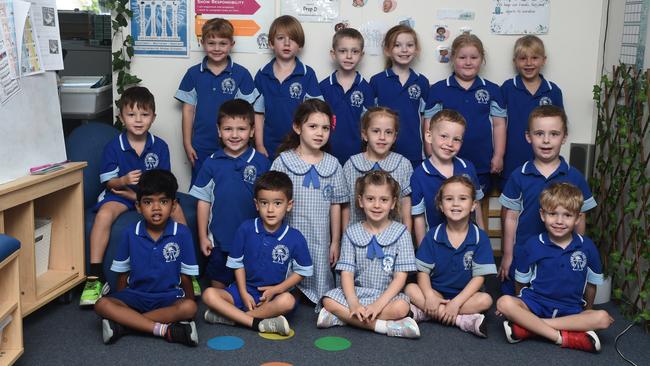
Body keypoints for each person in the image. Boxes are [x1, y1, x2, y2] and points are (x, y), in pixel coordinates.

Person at [80, 86, 187, 307]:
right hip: (121, 195)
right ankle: (95, 277)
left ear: (153, 117)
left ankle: (187, 272)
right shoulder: (114, 146)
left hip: (151, 197)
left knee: (176, 209)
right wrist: (124, 181)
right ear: (121, 117)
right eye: (131, 114)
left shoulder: (160, 146)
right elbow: (110, 183)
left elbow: (164, 184)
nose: (138, 120)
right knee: (104, 214)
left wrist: (141, 197)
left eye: (144, 114)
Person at [497, 182, 613, 353]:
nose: (559, 221)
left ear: (578, 218)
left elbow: (591, 285)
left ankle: (529, 327)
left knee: (602, 318)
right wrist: (519, 306)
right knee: (504, 302)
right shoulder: (533, 244)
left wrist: (586, 313)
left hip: (570, 308)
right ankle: (562, 337)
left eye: (567, 215)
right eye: (553, 214)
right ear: (542, 215)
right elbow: (520, 284)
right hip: (535, 304)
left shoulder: (587, 247)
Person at [499, 105, 597, 295]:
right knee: (512, 298)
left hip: (560, 251)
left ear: (564, 137)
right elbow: (510, 217)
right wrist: (508, 254)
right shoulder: (519, 175)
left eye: (554, 134)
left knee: (557, 291)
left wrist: (578, 250)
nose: (546, 140)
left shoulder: (574, 177)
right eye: (539, 133)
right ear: (529, 137)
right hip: (525, 250)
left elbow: (580, 217)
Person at [94, 170, 199, 346]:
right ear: (138, 207)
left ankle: (126, 325)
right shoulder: (130, 233)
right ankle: (164, 330)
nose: (156, 208)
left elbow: (186, 276)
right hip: (136, 296)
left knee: (189, 307)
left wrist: (190, 307)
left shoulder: (182, 233)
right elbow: (122, 274)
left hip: (168, 297)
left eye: (163, 202)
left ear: (173, 206)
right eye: (148, 202)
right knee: (101, 304)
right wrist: (121, 302)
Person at [201, 171, 313, 335]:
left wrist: (276, 290)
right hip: (243, 291)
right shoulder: (246, 229)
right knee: (209, 294)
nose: (270, 210)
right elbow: (236, 263)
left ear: (289, 205)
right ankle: (256, 323)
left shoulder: (294, 237)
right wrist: (243, 292)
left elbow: (303, 271)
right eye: (264, 203)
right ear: (256, 204)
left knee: (288, 301)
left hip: (272, 296)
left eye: (277, 203)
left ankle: (234, 318)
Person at [318, 171, 420, 338]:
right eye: (370, 199)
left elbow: (400, 278)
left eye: (384, 200)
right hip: (357, 293)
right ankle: (383, 326)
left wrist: (378, 306)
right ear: (361, 201)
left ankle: (343, 318)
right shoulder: (352, 232)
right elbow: (347, 273)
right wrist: (353, 303)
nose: (377, 205)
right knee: (328, 300)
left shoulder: (401, 233)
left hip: (386, 296)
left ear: (393, 203)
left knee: (402, 307)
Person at [271, 99, 348, 309]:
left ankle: (317, 297)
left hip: (319, 236)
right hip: (290, 232)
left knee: (319, 269)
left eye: (325, 128)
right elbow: (272, 200)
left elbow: (336, 205)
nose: (319, 133)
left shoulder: (332, 164)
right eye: (312, 126)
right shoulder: (283, 162)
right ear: (298, 127)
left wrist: (335, 241)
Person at [189, 99, 270, 291]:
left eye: (241, 129)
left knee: (252, 286)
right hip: (221, 240)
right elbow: (203, 202)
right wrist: (202, 236)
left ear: (251, 131)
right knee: (218, 287)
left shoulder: (262, 163)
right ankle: (224, 308)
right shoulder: (211, 163)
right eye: (228, 129)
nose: (234, 135)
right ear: (219, 131)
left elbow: (270, 202)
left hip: (254, 239)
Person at [405, 176, 495, 338]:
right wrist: (430, 296)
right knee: (410, 289)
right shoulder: (433, 235)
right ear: (441, 205)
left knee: (486, 300)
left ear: (473, 205)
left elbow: (479, 278)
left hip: (466, 296)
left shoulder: (480, 237)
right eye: (449, 199)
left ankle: (427, 313)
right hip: (436, 292)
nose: (455, 204)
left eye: (462, 198)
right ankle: (462, 321)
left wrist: (457, 302)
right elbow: (423, 272)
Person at [176, 18, 258, 186]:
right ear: (202, 43)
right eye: (211, 43)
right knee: (201, 188)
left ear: (231, 44)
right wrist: (187, 143)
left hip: (235, 145)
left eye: (223, 43)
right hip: (201, 146)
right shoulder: (193, 74)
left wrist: (251, 143)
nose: (217, 48)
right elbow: (188, 111)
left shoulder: (241, 74)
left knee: (232, 186)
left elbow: (250, 113)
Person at [424, 33, 507, 195]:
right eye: (462, 57)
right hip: (445, 161)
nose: (468, 62)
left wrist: (498, 155)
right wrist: (430, 153)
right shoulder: (438, 90)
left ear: (482, 59)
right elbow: (429, 124)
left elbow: (499, 125)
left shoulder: (493, 90)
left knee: (475, 204)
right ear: (453, 58)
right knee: (446, 201)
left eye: (474, 57)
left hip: (481, 163)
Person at [410, 109, 484, 246]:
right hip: (435, 246)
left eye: (456, 139)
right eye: (444, 136)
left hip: (467, 243)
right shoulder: (419, 175)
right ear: (429, 136)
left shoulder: (467, 167)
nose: (450, 143)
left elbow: (476, 205)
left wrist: (482, 239)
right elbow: (419, 218)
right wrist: (422, 251)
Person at [253, 15, 323, 159]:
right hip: (268, 145)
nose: (286, 43)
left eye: (292, 39)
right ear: (271, 43)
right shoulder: (262, 75)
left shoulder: (307, 74)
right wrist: (259, 145)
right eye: (280, 38)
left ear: (300, 45)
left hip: (299, 146)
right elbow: (258, 114)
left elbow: (316, 114)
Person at [500, 35, 564, 188]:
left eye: (534, 58)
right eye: (523, 58)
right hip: (512, 159)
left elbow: (560, 126)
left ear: (544, 60)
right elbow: (497, 124)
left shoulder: (553, 91)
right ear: (515, 62)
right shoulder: (507, 88)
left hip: (545, 160)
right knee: (510, 203)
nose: (529, 63)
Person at [342, 107, 412, 232]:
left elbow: (406, 206)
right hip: (358, 238)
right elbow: (346, 206)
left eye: (388, 132)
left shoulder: (403, 164)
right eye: (376, 131)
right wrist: (345, 236)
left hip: (393, 237)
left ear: (395, 137)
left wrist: (406, 237)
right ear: (364, 134)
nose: (382, 137)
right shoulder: (351, 165)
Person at [370, 24, 429, 167]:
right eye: (397, 45)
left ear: (416, 50)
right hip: (382, 152)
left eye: (409, 45)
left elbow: (425, 120)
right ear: (387, 50)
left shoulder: (422, 82)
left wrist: (429, 151)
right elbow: (369, 120)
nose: (404, 50)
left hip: (414, 153)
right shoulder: (377, 81)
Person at [320, 27, 375, 166]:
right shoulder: (323, 87)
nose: (349, 56)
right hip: (326, 154)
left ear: (361, 55)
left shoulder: (367, 89)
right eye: (343, 51)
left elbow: (369, 125)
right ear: (333, 54)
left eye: (354, 51)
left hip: (358, 156)